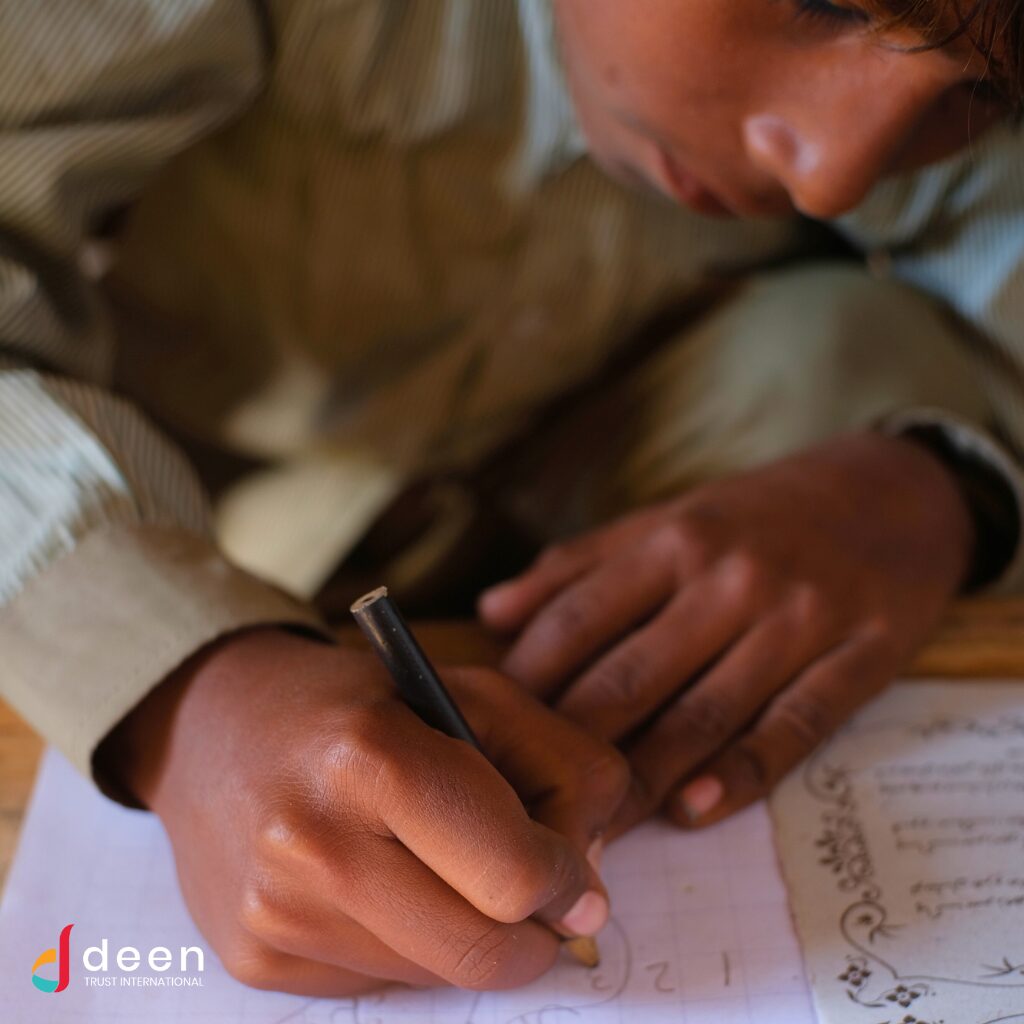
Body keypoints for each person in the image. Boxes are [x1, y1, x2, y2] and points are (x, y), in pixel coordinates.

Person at [2, 0, 1023, 997]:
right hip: (194, 526)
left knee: (856, 353)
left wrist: (938, 485)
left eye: (977, 90)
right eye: (824, 2)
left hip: (596, 501)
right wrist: (184, 692)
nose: (831, 175)